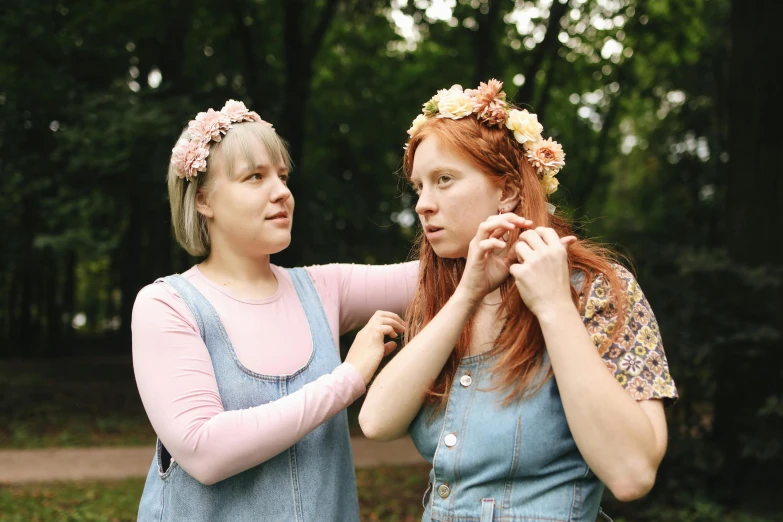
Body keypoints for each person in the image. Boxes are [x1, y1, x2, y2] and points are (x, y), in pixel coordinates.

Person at [359, 80, 678, 522]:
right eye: (418, 187)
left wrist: (554, 308)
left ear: (507, 191)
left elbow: (631, 474)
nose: (423, 205)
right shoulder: (446, 293)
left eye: (444, 180)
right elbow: (376, 423)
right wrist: (468, 295)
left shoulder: (596, 290)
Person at [131, 100, 417, 521]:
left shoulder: (323, 288)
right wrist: (349, 378)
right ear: (204, 201)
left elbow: (450, 269)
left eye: (282, 177)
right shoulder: (167, 306)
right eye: (255, 177)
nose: (281, 191)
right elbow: (204, 451)